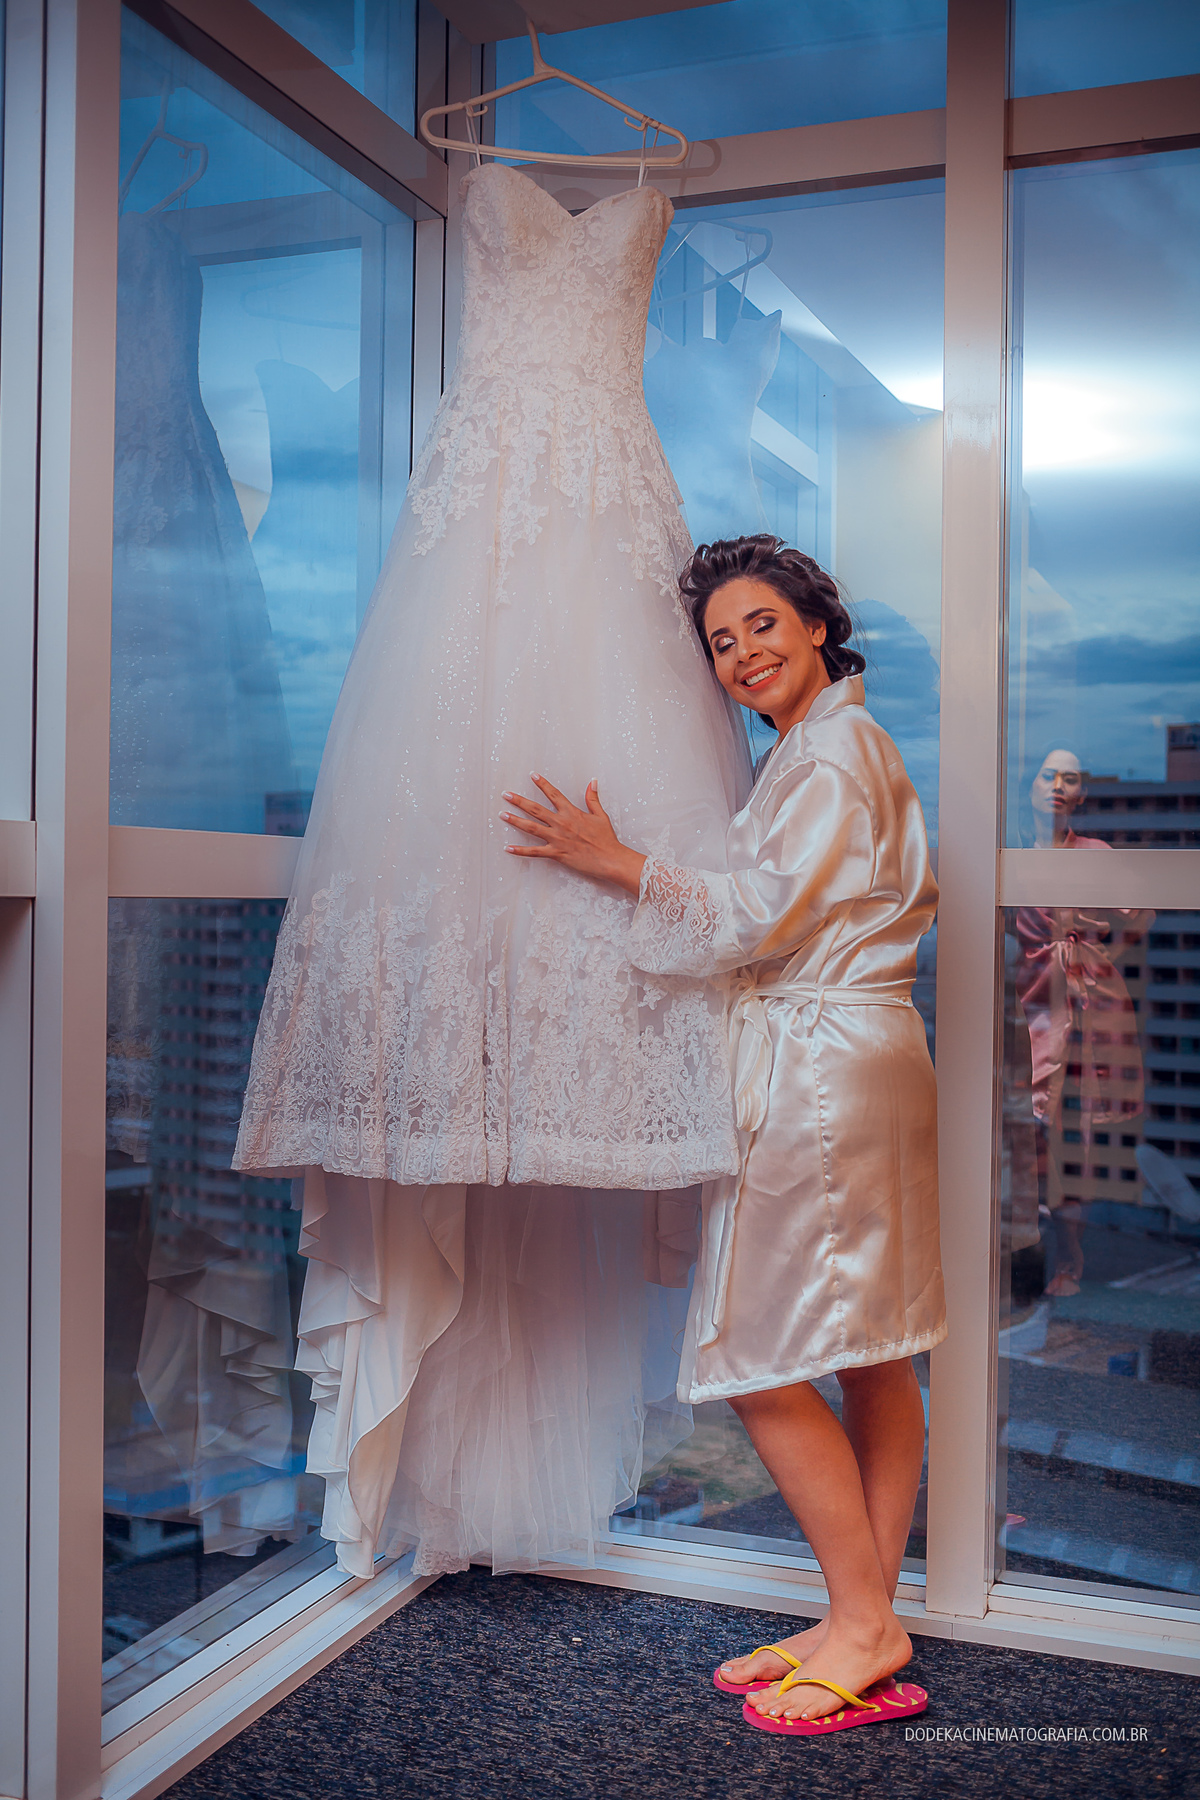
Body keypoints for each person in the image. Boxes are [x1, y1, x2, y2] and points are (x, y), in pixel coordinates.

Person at [502, 534, 945, 1735]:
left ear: (814, 625)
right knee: (870, 1343)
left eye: (762, 625)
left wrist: (614, 862)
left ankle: (864, 1619)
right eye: (722, 641)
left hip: (818, 1074)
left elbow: (749, 918)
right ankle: (865, 1612)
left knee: (753, 1353)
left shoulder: (831, 760)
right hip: (868, 1055)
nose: (743, 653)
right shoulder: (829, 749)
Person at [1012, 746, 1151, 1297]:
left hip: (1093, 1008)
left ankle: (1072, 1252)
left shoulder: (1096, 852)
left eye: (1070, 778)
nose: (1059, 786)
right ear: (1031, 787)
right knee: (1028, 1137)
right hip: (1032, 1008)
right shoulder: (1013, 856)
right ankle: (1029, 1253)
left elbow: (1142, 913)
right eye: (1049, 775)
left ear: (1082, 793)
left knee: (1079, 1142)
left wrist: (1103, 956)